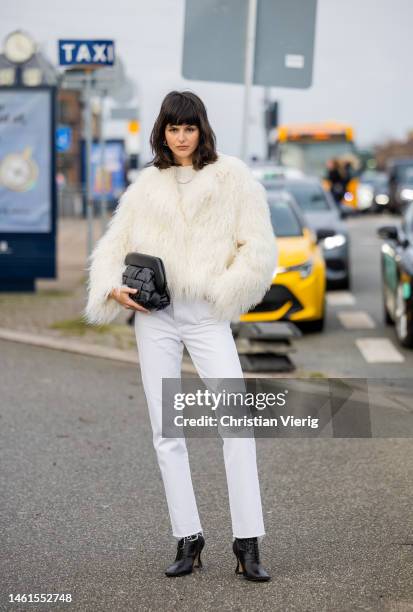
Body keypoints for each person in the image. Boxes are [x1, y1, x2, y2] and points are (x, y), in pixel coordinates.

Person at [84, 90, 278, 581]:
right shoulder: (146, 185)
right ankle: (188, 537)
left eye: (189, 128)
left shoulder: (232, 177)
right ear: (162, 132)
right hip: (155, 315)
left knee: (236, 421)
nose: (182, 137)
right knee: (165, 430)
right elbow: (114, 245)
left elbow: (258, 249)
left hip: (207, 312)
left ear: (202, 129)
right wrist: (112, 288)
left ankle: (247, 541)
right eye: (173, 128)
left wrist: (225, 291)